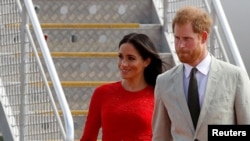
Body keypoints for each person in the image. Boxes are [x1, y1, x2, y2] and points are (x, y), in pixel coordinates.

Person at [152, 6, 250, 141]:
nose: (180, 45)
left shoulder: (235, 77)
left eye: (187, 39)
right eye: (177, 38)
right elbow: (160, 136)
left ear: (203, 37)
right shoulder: (164, 82)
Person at [80, 33, 164, 141]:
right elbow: (88, 137)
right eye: (120, 57)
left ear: (146, 62)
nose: (123, 64)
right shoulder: (102, 93)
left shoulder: (158, 95)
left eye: (131, 58)